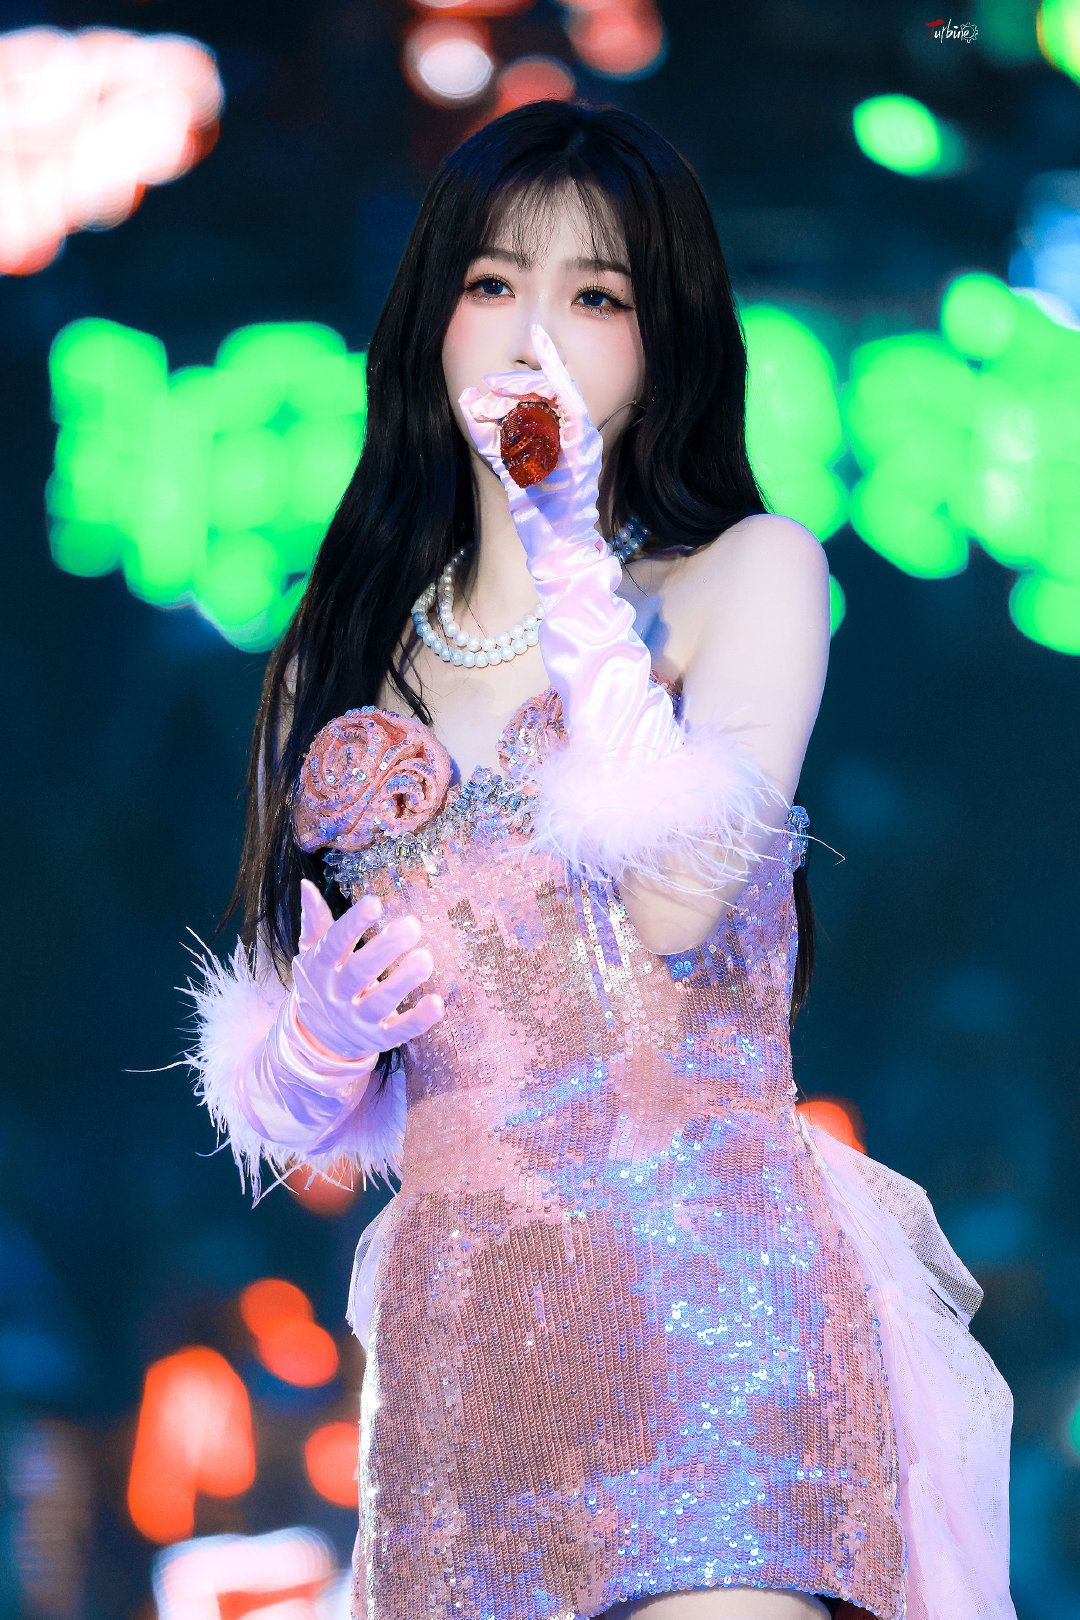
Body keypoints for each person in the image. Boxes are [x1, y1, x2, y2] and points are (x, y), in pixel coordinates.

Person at [180, 99, 1016, 1620]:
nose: (535, 336)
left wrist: (564, 540)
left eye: (597, 296)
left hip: (716, 1315)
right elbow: (311, 1115)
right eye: (494, 282)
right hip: (462, 1348)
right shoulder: (336, 661)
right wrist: (318, 1044)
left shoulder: (746, 577)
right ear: (433, 319)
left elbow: (682, 899)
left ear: (664, 337)